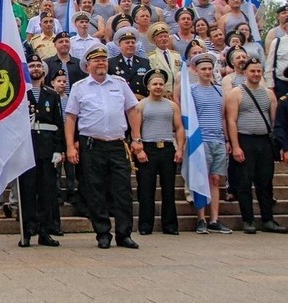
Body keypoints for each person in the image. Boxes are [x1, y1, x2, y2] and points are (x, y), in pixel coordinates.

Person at [65, 44, 142, 249]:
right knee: (95, 190)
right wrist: (70, 147)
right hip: (91, 144)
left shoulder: (119, 83)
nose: (101, 63)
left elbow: (133, 111)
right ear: (87, 64)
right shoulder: (79, 87)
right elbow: (71, 118)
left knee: (123, 190)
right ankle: (102, 233)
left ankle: (124, 234)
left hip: (117, 144)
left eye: (103, 59)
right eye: (96, 60)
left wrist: (136, 139)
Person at [225, 57, 287, 234]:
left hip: (265, 141)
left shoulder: (268, 93)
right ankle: (248, 220)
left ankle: (268, 219)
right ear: (245, 72)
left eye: (259, 71)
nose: (256, 74)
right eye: (252, 71)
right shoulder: (236, 93)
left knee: (265, 181)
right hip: (245, 140)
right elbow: (231, 121)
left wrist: (279, 144)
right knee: (245, 181)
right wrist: (235, 146)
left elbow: (275, 121)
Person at [17, 55, 65, 248]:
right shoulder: (20, 93)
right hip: (27, 148)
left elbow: (58, 123)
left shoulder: (51, 94)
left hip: (46, 148)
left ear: (44, 70)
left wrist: (58, 149)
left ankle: (45, 231)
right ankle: (27, 230)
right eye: (31, 65)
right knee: (27, 191)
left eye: (38, 65)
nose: (35, 68)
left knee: (47, 192)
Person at [135, 69, 184, 236]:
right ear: (148, 86)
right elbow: (136, 130)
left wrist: (180, 149)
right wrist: (139, 149)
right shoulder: (141, 105)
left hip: (167, 148)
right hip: (148, 149)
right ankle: (145, 225)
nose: (158, 87)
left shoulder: (172, 106)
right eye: (154, 84)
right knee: (146, 189)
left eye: (160, 84)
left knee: (168, 189)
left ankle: (170, 225)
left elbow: (178, 128)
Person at [187, 53, 232, 234]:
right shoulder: (192, 90)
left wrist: (227, 139)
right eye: (203, 69)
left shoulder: (220, 90)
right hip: (201, 140)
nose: (207, 72)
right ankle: (201, 218)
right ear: (196, 70)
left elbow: (224, 117)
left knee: (215, 179)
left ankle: (214, 218)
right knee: (201, 179)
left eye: (209, 69)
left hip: (218, 139)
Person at [107, 27, 151, 100]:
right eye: (127, 42)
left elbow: (149, 82)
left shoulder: (144, 62)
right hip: (119, 101)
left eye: (133, 42)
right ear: (120, 46)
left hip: (141, 101)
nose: (131, 45)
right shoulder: (111, 63)